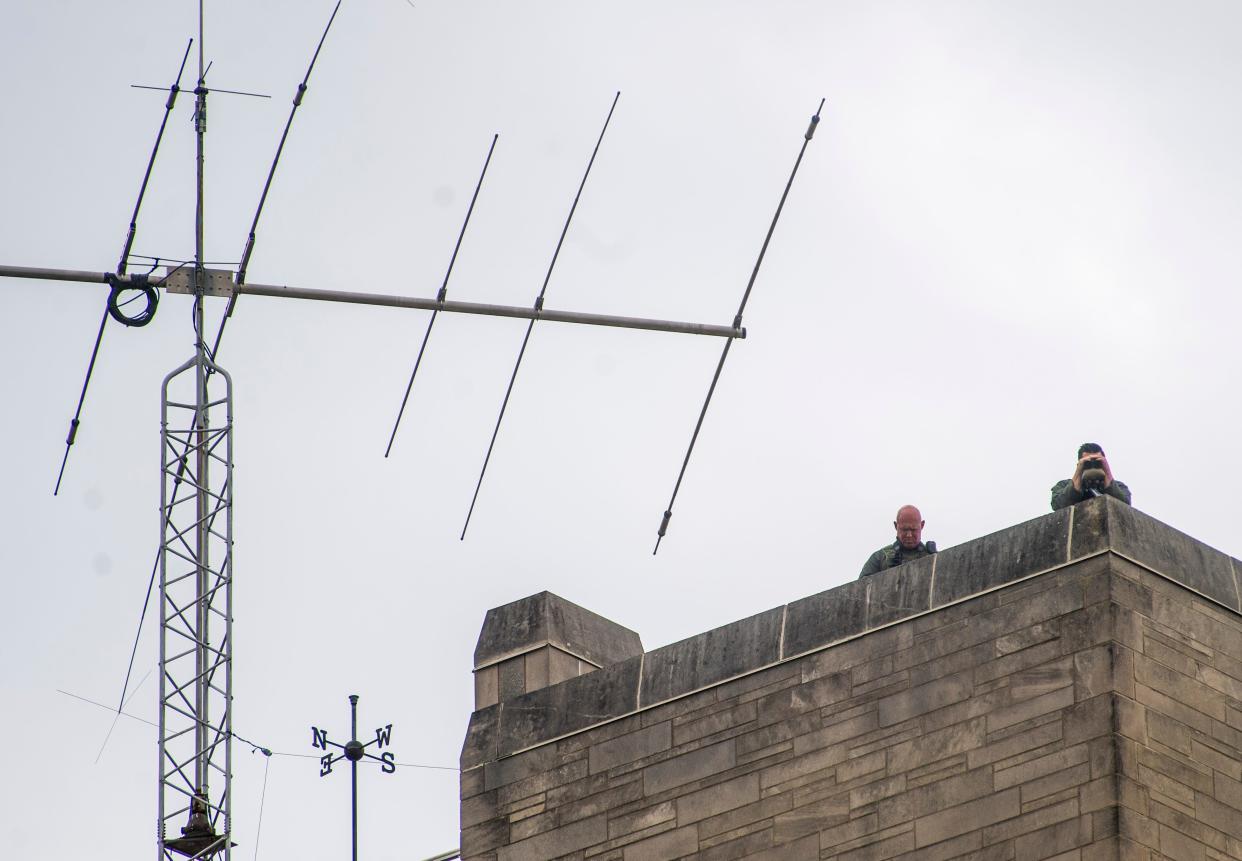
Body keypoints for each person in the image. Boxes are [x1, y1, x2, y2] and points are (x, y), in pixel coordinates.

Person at [859, 504, 937, 577]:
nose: (909, 535)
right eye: (904, 530)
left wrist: (935, 559)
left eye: (913, 529)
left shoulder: (933, 557)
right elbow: (861, 588)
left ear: (922, 525)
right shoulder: (880, 558)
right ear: (896, 526)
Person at [1050, 442, 1132, 510]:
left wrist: (1107, 471)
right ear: (1079, 463)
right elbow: (1059, 506)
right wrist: (1078, 472)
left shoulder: (1119, 486)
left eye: (1098, 461)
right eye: (1087, 461)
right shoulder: (1063, 485)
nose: (1093, 464)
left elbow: (1124, 507)